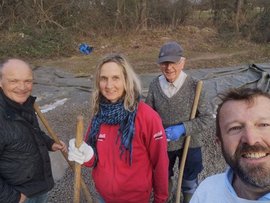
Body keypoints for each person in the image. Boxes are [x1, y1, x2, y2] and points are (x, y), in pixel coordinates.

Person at [68, 53, 169, 203]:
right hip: (104, 197)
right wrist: (85, 154)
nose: (109, 85)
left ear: (126, 80)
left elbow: (160, 162)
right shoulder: (99, 115)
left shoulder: (147, 117)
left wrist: (160, 199)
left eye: (115, 78)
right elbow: (93, 160)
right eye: (104, 78)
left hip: (135, 199)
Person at [145, 41, 213, 203]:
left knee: (189, 179)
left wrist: (183, 128)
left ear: (182, 62)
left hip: (190, 143)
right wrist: (155, 130)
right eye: (164, 63)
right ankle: (165, 198)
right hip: (163, 144)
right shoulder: (155, 85)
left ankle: (189, 198)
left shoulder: (195, 86)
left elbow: (207, 118)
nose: (169, 68)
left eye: (173, 63)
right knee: (162, 177)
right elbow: (148, 116)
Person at [0, 58, 67, 203]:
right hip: (17, 195)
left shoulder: (25, 104)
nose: (22, 87)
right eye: (14, 81)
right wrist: (13, 197)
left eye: (28, 81)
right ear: (1, 82)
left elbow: (33, 132)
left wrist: (50, 143)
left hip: (38, 187)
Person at [190, 87, 270, 203]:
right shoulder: (206, 191)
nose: (251, 140)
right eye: (235, 128)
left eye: (264, 125)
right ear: (219, 143)